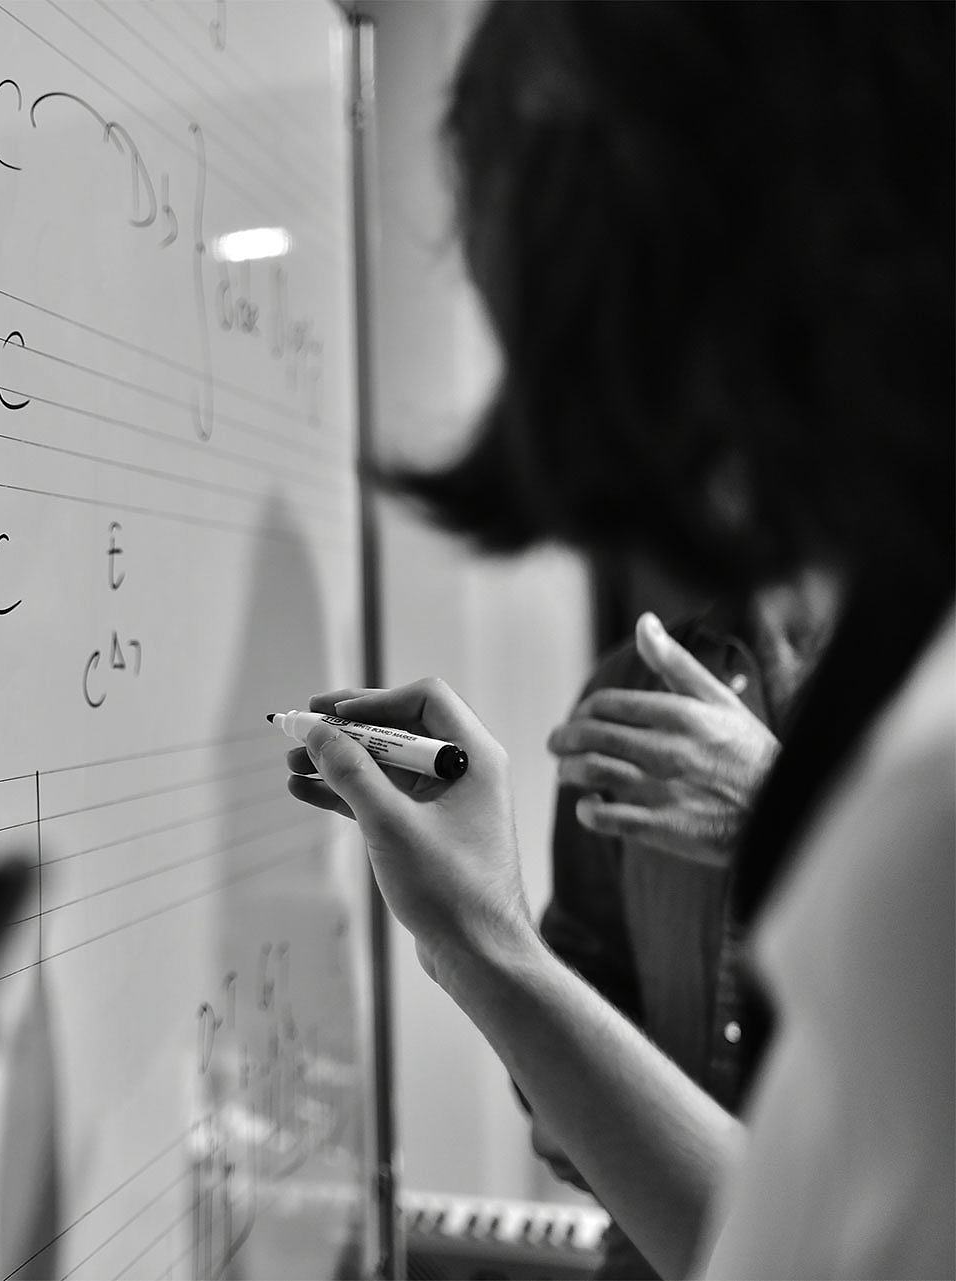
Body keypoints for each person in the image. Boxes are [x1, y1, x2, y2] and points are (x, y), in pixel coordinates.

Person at [285, 3, 952, 1276]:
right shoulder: (648, 697)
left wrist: (776, 829)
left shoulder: (923, 793)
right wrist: (492, 947)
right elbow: (767, 1222)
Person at [533, 582, 834, 1279]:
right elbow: (588, 961)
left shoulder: (929, 683)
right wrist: (561, 1088)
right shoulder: (632, 686)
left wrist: (776, 812)